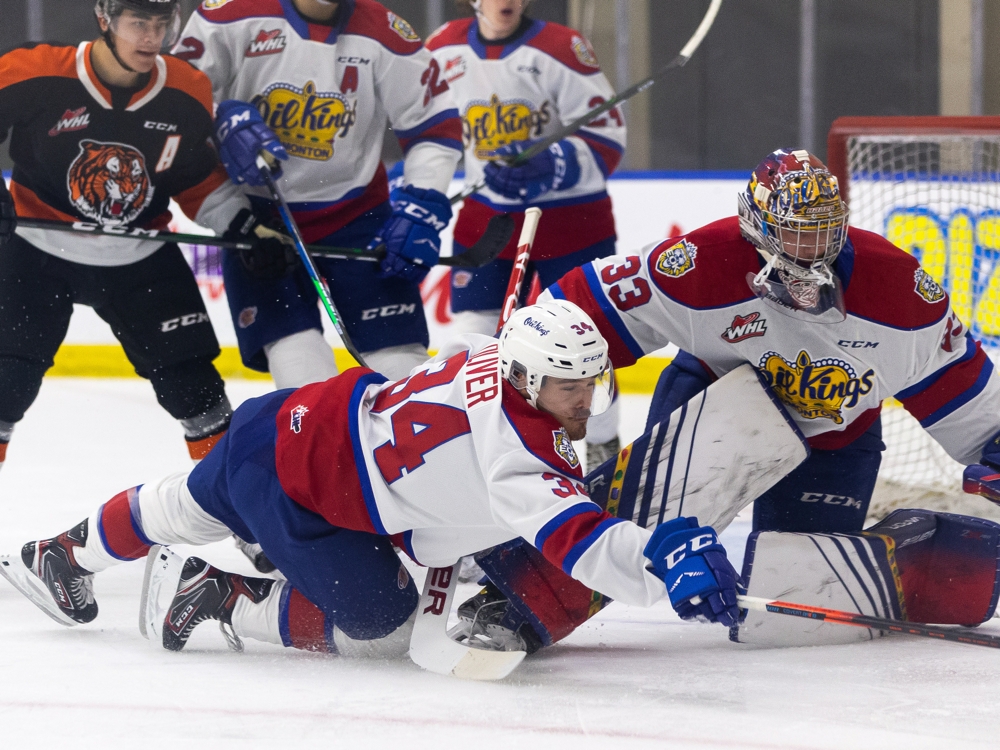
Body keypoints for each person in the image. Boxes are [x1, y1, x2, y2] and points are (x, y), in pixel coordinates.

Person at [0, 300, 740, 658]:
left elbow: (465, 361)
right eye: (566, 389)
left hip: (290, 418)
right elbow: (577, 539)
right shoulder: (519, 456)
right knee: (383, 631)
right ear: (523, 377)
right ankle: (218, 596)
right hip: (303, 489)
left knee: (184, 504)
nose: (584, 402)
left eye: (590, 384)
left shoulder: (482, 350)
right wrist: (657, 563)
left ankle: (63, 552)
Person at [544, 148, 1000, 533]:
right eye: (797, 230)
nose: (814, 246)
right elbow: (580, 305)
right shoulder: (702, 261)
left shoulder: (898, 290)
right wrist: (528, 352)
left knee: (799, 588)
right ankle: (534, 582)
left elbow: (961, 388)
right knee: (645, 536)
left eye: (824, 229)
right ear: (756, 223)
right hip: (712, 401)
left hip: (834, 433)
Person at [0, 0, 272, 469]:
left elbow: (193, 178)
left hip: (140, 254)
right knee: (6, 382)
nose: (151, 37)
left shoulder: (187, 91)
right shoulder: (34, 71)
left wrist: (243, 224)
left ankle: (246, 523)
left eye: (160, 23)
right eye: (138, 23)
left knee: (199, 393)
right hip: (36, 249)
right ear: (104, 20)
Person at [173, 0, 464, 387]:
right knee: (304, 376)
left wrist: (421, 206)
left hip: (360, 217)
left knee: (401, 372)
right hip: (260, 223)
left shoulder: (384, 31)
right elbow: (171, 99)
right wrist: (216, 117)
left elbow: (433, 126)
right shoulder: (229, 15)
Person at [425, 0, 626, 469]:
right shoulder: (442, 49)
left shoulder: (561, 47)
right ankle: (467, 442)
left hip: (573, 220)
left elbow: (609, 138)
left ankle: (602, 445)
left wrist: (552, 163)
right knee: (474, 331)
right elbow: (424, 126)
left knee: (591, 338)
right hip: (488, 215)